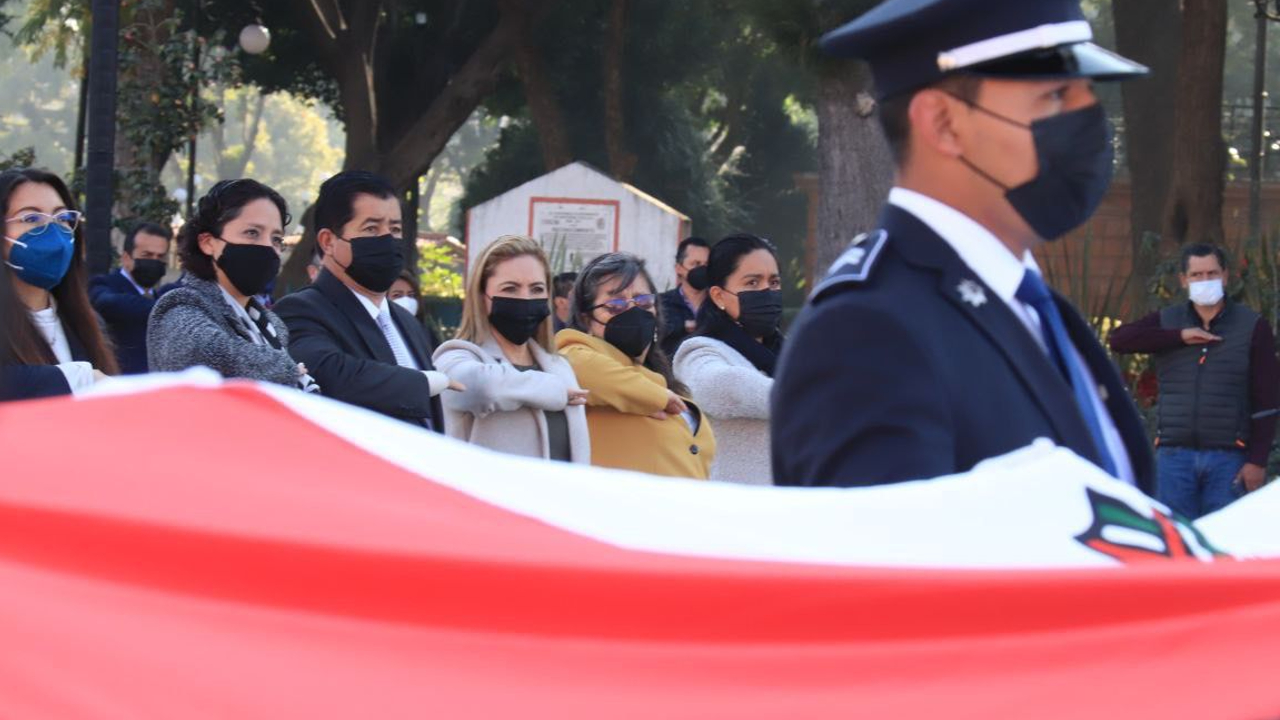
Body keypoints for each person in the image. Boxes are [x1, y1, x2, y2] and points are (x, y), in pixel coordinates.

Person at [772, 0, 1155, 491]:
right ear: (943, 124)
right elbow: (885, 561)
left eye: (1089, 97)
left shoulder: (1032, 307)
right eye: (1057, 96)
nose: (1091, 123)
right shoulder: (867, 331)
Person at [274, 171, 456, 430]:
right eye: (371, 228)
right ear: (328, 241)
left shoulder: (407, 322)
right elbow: (332, 376)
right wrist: (423, 383)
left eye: (394, 229)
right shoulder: (300, 311)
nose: (387, 239)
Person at [1110, 244, 1279, 518]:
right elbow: (1119, 339)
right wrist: (1180, 336)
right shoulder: (1168, 321)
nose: (1205, 281)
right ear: (1184, 280)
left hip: (1229, 458)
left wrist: (1257, 461)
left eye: (1212, 273)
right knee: (1176, 544)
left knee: (1222, 545)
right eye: (1197, 275)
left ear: (1225, 276)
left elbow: (1267, 401)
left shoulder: (1252, 326)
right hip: (1174, 457)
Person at [148, 179, 318, 391]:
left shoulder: (272, 324)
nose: (267, 246)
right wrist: (288, 369)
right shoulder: (180, 306)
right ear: (208, 243)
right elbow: (205, 353)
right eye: (252, 233)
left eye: (276, 238)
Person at [557, 252, 715, 478]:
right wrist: (657, 397)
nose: (632, 310)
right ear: (586, 319)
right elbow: (573, 362)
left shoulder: (660, 379)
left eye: (643, 301)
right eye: (616, 304)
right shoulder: (578, 360)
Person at [433, 235, 590, 462]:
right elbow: (480, 387)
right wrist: (552, 391)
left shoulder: (557, 366)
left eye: (536, 289)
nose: (525, 298)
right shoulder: (456, 357)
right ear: (481, 296)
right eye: (510, 289)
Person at [674, 234, 784, 485]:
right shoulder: (699, 352)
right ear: (719, 296)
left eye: (774, 282)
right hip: (734, 508)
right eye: (752, 283)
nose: (766, 291)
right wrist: (807, 397)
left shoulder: (788, 352)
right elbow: (723, 385)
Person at [0, 168, 117, 399]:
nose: (53, 232)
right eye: (31, 218)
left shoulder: (85, 321)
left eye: (62, 218)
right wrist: (80, 378)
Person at [89, 221, 172, 374]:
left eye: (160, 257)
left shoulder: (161, 294)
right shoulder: (104, 285)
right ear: (126, 258)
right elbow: (106, 302)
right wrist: (164, 307)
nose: (154, 261)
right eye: (146, 255)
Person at [658, 237, 710, 358]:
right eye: (696, 264)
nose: (702, 269)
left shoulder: (720, 304)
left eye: (707, 264)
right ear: (679, 268)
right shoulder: (661, 303)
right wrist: (681, 326)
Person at [388, 268, 442, 348]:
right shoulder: (378, 334)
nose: (406, 300)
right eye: (397, 295)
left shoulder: (426, 334)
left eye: (411, 295)